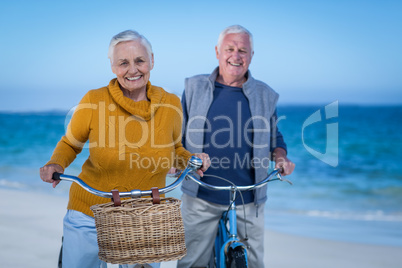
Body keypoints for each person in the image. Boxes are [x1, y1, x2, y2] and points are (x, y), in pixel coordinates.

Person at [39, 30, 210, 268]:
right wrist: (56, 163)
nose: (133, 70)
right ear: (112, 66)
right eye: (123, 63)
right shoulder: (93, 100)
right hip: (90, 210)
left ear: (152, 61)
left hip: (144, 217)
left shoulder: (171, 103)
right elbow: (70, 143)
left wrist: (191, 161)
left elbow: (175, 150)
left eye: (140, 60)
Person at [177, 25, 295, 267]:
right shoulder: (193, 87)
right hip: (201, 194)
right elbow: (177, 134)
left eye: (243, 50)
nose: (236, 55)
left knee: (253, 263)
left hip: (249, 197)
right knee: (191, 263)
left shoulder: (265, 94)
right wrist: (174, 159)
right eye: (230, 48)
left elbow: (275, 138)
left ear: (251, 55)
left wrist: (281, 158)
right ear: (218, 51)